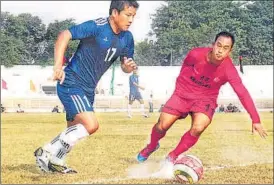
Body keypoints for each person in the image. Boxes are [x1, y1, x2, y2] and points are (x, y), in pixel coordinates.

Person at [34, 0, 139, 174]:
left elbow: (125, 65)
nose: (131, 20)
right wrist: (58, 66)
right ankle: (45, 150)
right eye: (128, 15)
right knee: (91, 125)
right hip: (71, 83)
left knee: (73, 130)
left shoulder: (127, 38)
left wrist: (128, 67)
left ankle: (57, 161)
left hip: (89, 89)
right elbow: (64, 35)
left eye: (133, 16)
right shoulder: (97, 26)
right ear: (114, 13)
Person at [137, 31, 267, 164]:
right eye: (219, 45)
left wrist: (255, 119)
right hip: (183, 93)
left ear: (230, 51)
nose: (220, 51)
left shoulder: (229, 69)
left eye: (225, 48)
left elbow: (242, 93)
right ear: (213, 45)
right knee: (162, 125)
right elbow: (183, 70)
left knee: (199, 127)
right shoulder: (195, 54)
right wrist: (181, 90)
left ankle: (172, 156)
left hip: (206, 99)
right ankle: (152, 146)